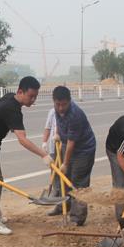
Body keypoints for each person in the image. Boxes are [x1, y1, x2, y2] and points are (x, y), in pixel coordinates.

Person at [0, 76, 54, 235]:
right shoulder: (13, 110)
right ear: (20, 91)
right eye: (31, 96)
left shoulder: (10, 98)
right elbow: (22, 140)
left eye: (35, 96)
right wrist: (43, 154)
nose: (33, 100)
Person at [47, 86, 96, 225]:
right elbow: (59, 121)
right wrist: (58, 133)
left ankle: (77, 218)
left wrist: (65, 163)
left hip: (83, 150)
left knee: (78, 183)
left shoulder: (75, 114)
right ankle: (63, 205)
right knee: (64, 180)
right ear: (54, 101)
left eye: (64, 104)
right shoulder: (57, 109)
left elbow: (71, 143)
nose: (61, 108)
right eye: (58, 104)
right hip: (66, 144)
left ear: (69, 101)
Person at [41, 107, 60, 201]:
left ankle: (65, 192)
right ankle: (56, 191)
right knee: (54, 170)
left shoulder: (71, 111)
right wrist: (44, 142)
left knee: (65, 170)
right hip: (54, 145)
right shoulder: (52, 111)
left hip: (64, 145)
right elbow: (48, 127)